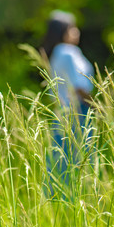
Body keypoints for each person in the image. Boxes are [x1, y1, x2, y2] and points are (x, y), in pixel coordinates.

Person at [41, 10, 95, 200]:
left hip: (61, 112)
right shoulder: (69, 52)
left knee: (61, 160)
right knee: (81, 159)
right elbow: (80, 86)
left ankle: (57, 202)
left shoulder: (55, 53)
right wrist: (96, 106)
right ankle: (80, 200)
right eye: (72, 28)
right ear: (62, 31)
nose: (76, 31)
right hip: (78, 110)